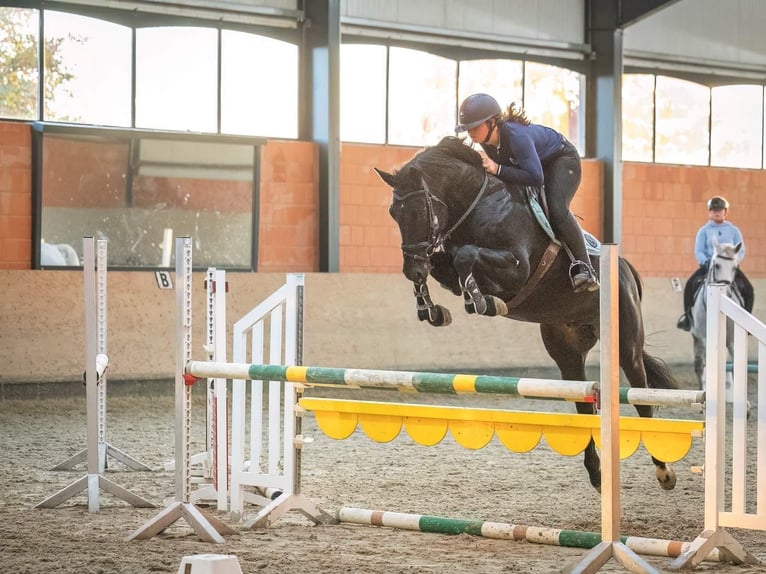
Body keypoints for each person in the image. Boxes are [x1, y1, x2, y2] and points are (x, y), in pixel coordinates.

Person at [454, 93, 599, 293]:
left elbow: (535, 177)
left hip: (561, 161)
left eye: (474, 126)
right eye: (467, 128)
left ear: (492, 122)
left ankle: (585, 268)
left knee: (556, 207)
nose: (470, 132)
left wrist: (497, 169)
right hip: (534, 166)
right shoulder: (484, 142)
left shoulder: (517, 137)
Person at [676, 195, 754, 331]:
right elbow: (699, 250)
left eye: (720, 210)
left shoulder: (734, 230)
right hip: (709, 267)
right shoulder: (704, 231)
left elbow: (740, 250)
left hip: (729, 268)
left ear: (725, 212)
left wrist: (734, 263)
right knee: (690, 285)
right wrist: (705, 262)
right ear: (710, 212)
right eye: (713, 210)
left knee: (749, 289)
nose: (717, 212)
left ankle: (746, 322)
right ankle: (688, 319)